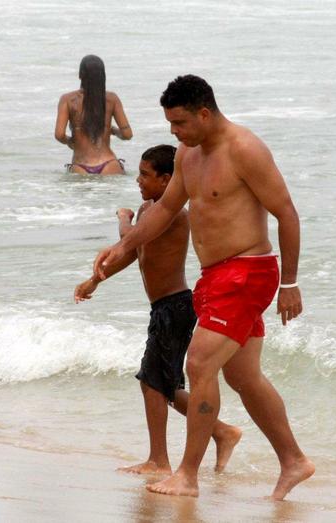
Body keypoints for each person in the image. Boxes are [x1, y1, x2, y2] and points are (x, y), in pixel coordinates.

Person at [92, 75, 314, 499]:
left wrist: (291, 282)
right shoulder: (187, 155)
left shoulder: (244, 149)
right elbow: (164, 211)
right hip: (214, 277)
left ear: (205, 113)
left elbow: (287, 213)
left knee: (198, 366)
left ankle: (187, 475)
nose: (174, 132)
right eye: (171, 123)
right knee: (244, 376)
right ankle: (294, 461)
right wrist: (123, 244)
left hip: (248, 272)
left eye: (179, 123)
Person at [74, 144, 241, 475]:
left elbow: (132, 237)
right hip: (163, 308)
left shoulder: (173, 214)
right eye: (138, 173)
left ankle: (159, 460)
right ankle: (221, 432)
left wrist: (123, 219)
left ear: (168, 180)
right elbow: (134, 253)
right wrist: (96, 280)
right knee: (161, 382)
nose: (138, 180)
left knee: (153, 381)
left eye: (145, 175)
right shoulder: (148, 209)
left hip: (175, 306)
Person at [55, 55, 133, 175]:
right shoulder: (112, 99)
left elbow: (59, 135)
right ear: (103, 76)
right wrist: (112, 130)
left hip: (81, 166)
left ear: (80, 75)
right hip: (110, 164)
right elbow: (127, 134)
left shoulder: (67, 100)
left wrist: (70, 142)